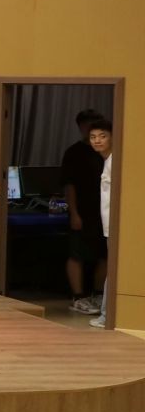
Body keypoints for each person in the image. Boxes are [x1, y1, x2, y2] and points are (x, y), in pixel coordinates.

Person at [63, 110, 111, 314]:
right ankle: (78, 296)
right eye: (91, 133)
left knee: (105, 254)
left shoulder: (110, 155)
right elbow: (69, 184)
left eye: (101, 134)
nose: (96, 139)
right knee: (77, 253)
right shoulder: (74, 153)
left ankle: (99, 294)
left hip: (105, 213)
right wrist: (74, 212)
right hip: (83, 211)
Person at [93, 120, 115, 329]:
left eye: (102, 136)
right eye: (93, 137)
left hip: (115, 226)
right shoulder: (107, 160)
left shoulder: (115, 161)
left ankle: (107, 315)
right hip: (108, 226)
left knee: (114, 269)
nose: (97, 140)